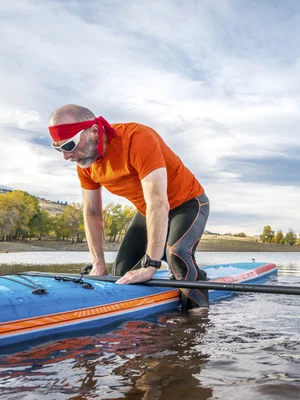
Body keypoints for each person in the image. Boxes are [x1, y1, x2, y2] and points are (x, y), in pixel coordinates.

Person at [48, 104, 210, 310]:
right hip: (147, 211)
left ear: (94, 132)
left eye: (69, 146)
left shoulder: (137, 138)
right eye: (58, 148)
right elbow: (92, 213)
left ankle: (197, 314)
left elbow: (158, 202)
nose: (65, 156)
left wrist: (151, 265)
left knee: (177, 254)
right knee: (122, 271)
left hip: (187, 203)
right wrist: (98, 264)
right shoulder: (86, 164)